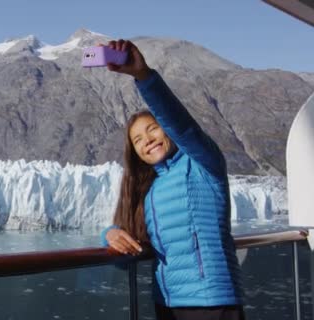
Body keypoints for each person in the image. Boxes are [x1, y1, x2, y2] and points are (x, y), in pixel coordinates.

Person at [100, 39, 245, 320]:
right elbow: (133, 240)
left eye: (152, 129)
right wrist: (109, 234)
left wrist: (143, 76)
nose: (148, 141)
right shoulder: (150, 190)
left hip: (212, 300)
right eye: (138, 140)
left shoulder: (203, 164)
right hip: (167, 302)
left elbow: (183, 124)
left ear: (168, 131)